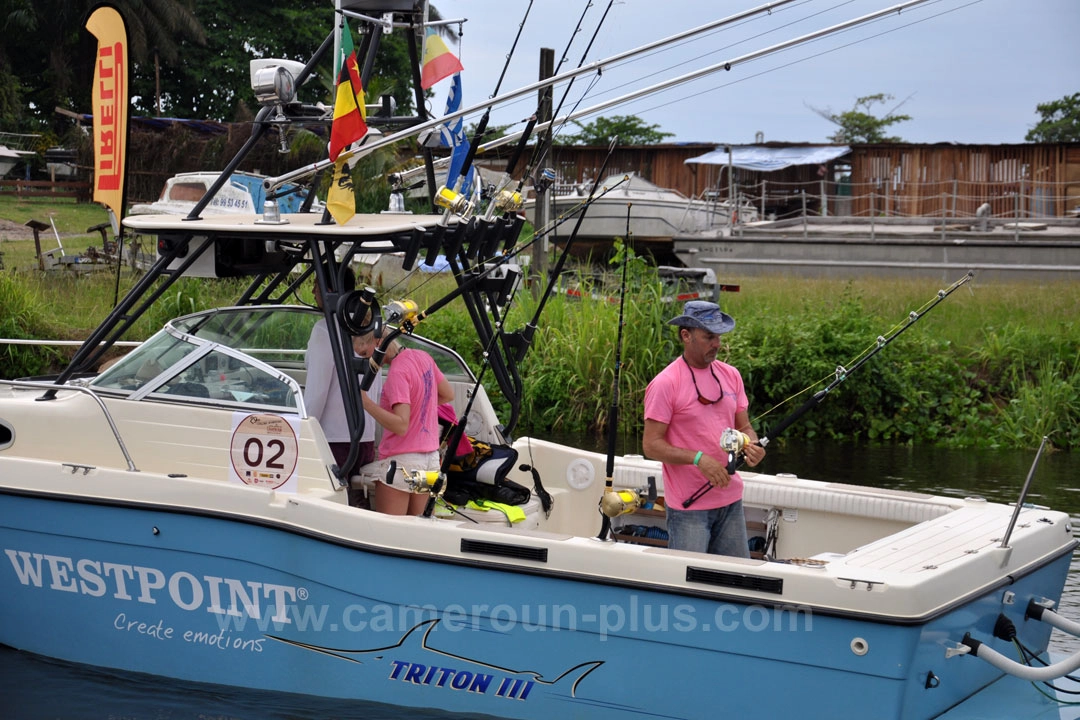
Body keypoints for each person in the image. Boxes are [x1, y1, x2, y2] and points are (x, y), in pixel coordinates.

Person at [642, 300, 766, 557]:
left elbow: (744, 427)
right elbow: (651, 445)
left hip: (731, 501)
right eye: (709, 336)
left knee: (736, 581)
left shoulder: (731, 375)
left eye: (718, 336)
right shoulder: (665, 383)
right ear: (686, 336)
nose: (717, 344)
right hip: (689, 509)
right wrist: (698, 459)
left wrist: (752, 446)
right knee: (687, 585)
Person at [304, 266, 378, 504]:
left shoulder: (325, 329)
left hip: (333, 442)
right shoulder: (366, 324)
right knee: (358, 504)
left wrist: (303, 430)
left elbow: (317, 391)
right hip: (364, 437)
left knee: (329, 505)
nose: (313, 290)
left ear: (328, 290)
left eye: (316, 284)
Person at [354, 329, 454, 476]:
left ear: (378, 342)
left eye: (364, 354)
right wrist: (417, 407)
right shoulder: (423, 357)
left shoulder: (397, 372)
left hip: (401, 463)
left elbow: (401, 426)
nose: (365, 360)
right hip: (430, 460)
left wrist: (364, 401)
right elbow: (448, 394)